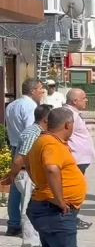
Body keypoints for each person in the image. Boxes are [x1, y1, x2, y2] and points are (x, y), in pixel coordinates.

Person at [27, 107, 87, 247]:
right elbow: (52, 169)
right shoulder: (51, 143)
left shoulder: (42, 141)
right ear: (67, 125)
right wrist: (60, 200)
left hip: (46, 207)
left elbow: (24, 162)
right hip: (54, 210)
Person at [1, 104, 53, 247]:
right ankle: (30, 246)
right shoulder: (33, 133)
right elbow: (20, 159)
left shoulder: (37, 132)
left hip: (30, 174)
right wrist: (12, 176)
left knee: (33, 209)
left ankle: (36, 243)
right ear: (45, 119)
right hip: (27, 175)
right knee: (28, 210)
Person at [6, 77, 45, 236]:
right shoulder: (30, 106)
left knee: (15, 187)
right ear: (33, 90)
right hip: (27, 148)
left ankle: (13, 223)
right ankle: (26, 226)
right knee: (27, 188)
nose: (42, 92)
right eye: (40, 89)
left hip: (15, 144)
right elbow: (32, 130)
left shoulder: (12, 104)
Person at [65, 88, 95, 229]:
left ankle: (73, 217)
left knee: (78, 190)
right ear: (75, 101)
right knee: (75, 191)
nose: (86, 100)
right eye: (84, 98)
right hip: (75, 159)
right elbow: (63, 135)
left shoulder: (75, 114)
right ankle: (70, 218)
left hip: (80, 159)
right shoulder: (69, 114)